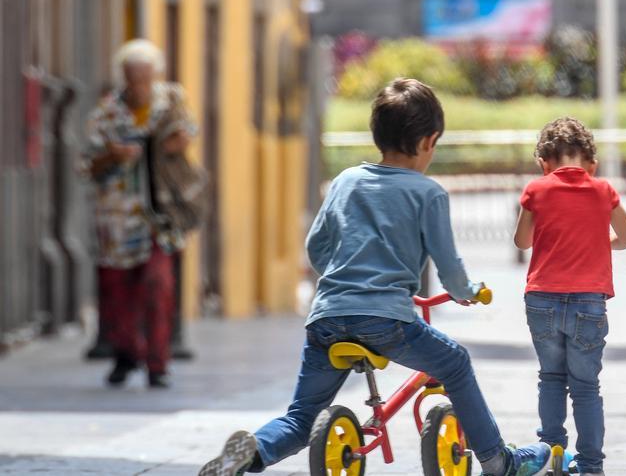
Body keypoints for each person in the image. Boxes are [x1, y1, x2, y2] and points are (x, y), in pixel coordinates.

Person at [199, 79, 552, 476]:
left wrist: (343, 277)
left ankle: (250, 452)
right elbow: (449, 267)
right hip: (385, 320)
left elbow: (317, 248)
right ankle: (497, 461)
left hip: (327, 317)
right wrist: (468, 292)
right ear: (428, 141)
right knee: (454, 362)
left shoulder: (345, 182)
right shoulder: (427, 194)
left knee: (301, 419)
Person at [513, 117, 626, 476]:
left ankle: (551, 455)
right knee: (586, 387)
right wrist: (598, 244)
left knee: (550, 378)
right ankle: (591, 465)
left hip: (542, 300)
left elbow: (522, 241)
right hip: (589, 302)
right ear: (592, 164)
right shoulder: (603, 191)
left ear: (543, 163)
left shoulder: (535, 190)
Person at [85, 39, 196, 389]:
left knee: (158, 286)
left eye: (145, 77)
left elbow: (186, 137)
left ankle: (158, 363)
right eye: (133, 78)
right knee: (117, 292)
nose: (140, 85)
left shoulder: (171, 103)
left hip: (158, 215)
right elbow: (87, 163)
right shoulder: (106, 113)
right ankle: (124, 354)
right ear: (123, 77)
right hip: (116, 217)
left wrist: (165, 145)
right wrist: (113, 156)